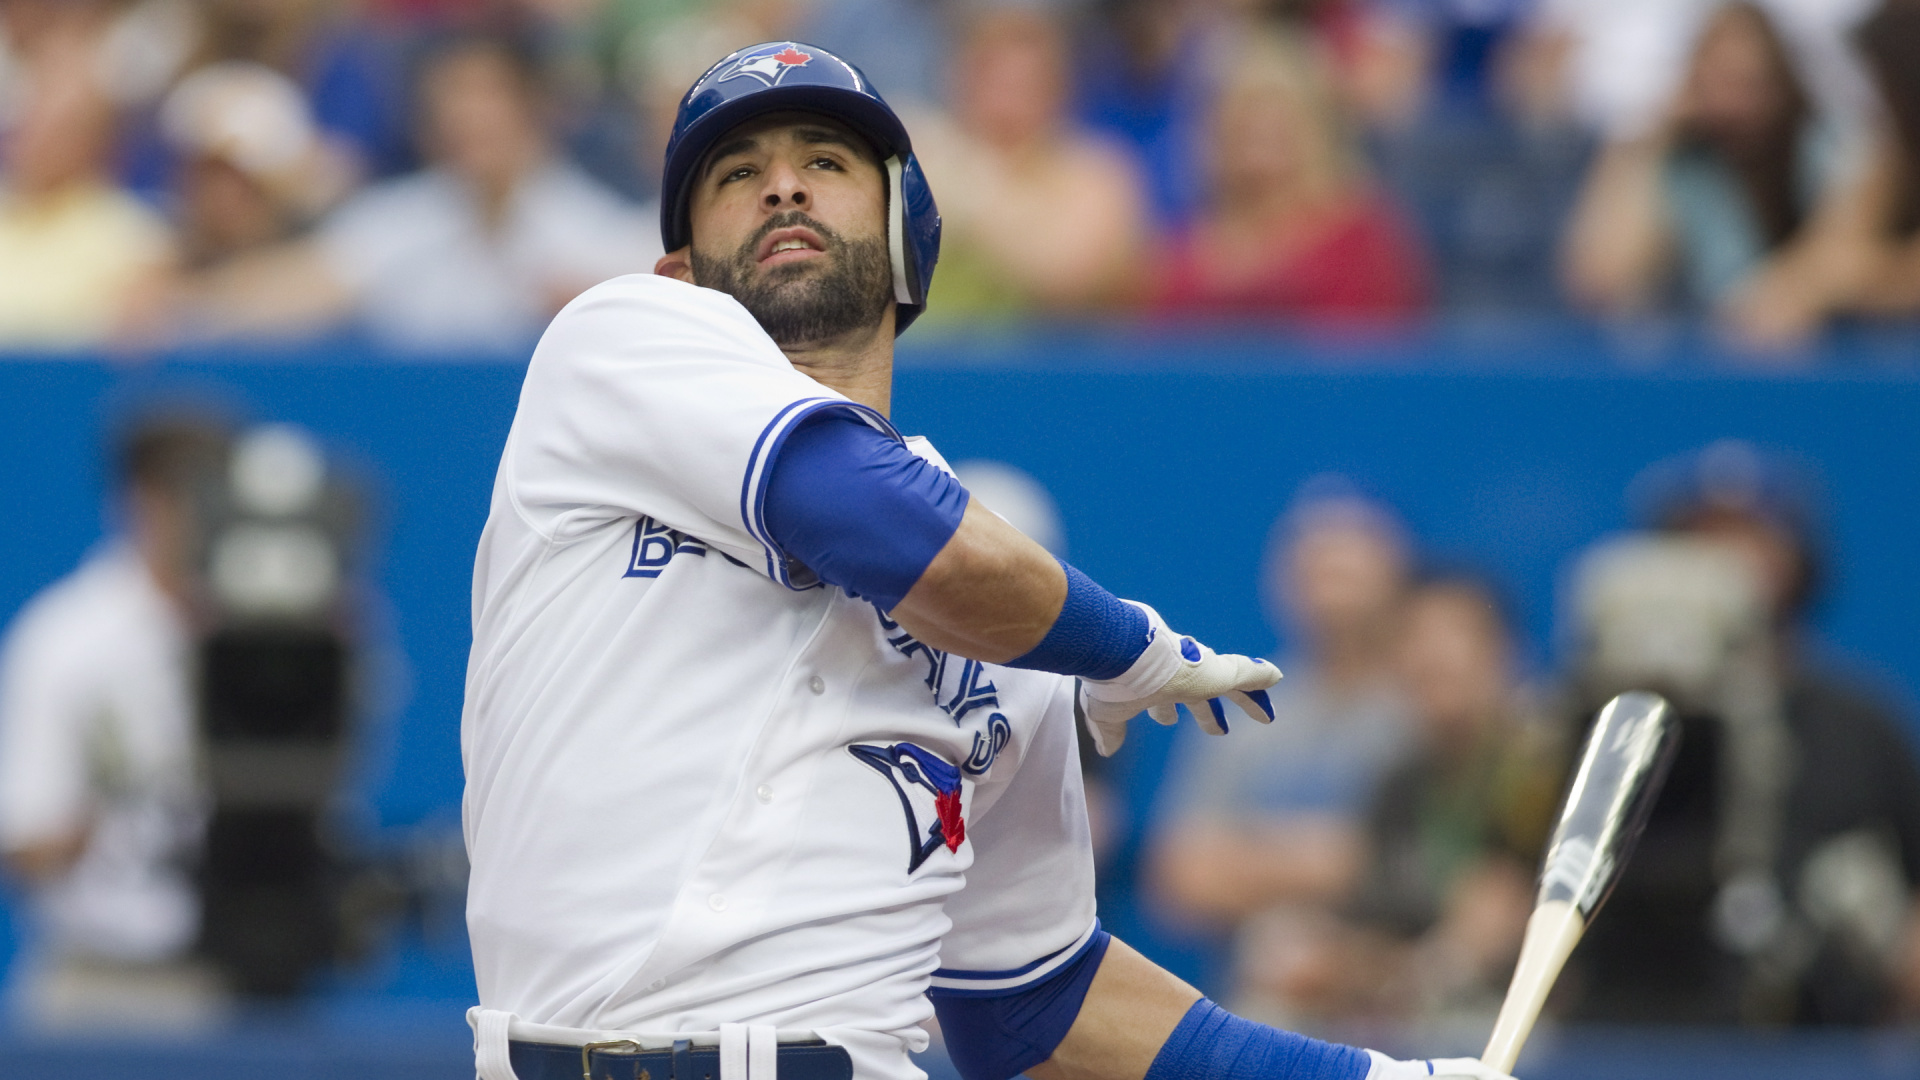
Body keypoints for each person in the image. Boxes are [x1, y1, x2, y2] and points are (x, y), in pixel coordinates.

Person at [460, 39, 1511, 1080]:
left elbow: (1038, 1008)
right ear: (679, 269)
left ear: (908, 235)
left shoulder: (1021, 610)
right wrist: (1129, 647)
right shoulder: (616, 343)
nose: (782, 186)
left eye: (826, 162)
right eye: (736, 175)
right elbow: (884, 525)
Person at [1563, 441, 1920, 1025]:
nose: (1725, 560)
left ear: (1797, 559)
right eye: (1699, 538)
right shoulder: (1606, 717)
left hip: (1814, 1034)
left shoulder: (1857, 723)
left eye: (1751, 538)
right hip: (1615, 1022)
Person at [176, 35, 659, 351]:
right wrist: (183, 307)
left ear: (536, 108)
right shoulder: (396, 222)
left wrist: (597, 309)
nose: (467, 117)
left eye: (486, 96)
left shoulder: (601, 233)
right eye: (450, 99)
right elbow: (304, 284)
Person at [1235, 574, 1562, 1030]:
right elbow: (1380, 927)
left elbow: (1495, 931)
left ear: (1506, 653)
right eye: (1413, 640)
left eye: (1454, 636)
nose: (1431, 655)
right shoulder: (1397, 783)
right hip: (1412, 1018)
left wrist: (1382, 972)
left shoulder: (1544, 769)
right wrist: (1329, 958)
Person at [0, 419, 226, 1029]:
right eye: (190, 494)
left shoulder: (274, 640)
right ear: (142, 499)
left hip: (238, 988)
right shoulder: (64, 639)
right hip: (97, 988)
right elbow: (28, 841)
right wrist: (124, 790)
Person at [1151, 488, 1415, 943]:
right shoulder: (1239, 702)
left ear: (1396, 581)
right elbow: (1179, 875)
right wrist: (1320, 860)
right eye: (1317, 571)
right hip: (1256, 998)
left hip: (1407, 998)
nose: (1333, 592)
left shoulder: (1426, 711)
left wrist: (1251, 858)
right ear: (1282, 585)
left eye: (1348, 571)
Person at [1559, 3, 1857, 322]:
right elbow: (1599, 280)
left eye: (1749, 85)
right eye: (1717, 84)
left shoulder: (1834, 149)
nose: (1732, 105)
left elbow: (1848, 255)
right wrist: (1648, 140)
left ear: (1783, 82)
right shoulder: (1686, 162)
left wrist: (1793, 291)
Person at [1149, 28, 1430, 323]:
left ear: (1316, 129)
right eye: (1247, 113)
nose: (1260, 130)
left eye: (1277, 114)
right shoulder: (1184, 247)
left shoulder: (1361, 240)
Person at [909, 6, 1149, 322]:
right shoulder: (921, 150)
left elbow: (1067, 276)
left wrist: (971, 189)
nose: (1006, 103)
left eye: (1025, 84)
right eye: (991, 80)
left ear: (1058, 88)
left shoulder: (1097, 172)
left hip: (1061, 363)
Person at [0, 33, 173, 349]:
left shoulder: (131, 233)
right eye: (34, 119)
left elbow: (136, 334)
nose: (40, 136)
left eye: (61, 127)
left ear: (94, 143)